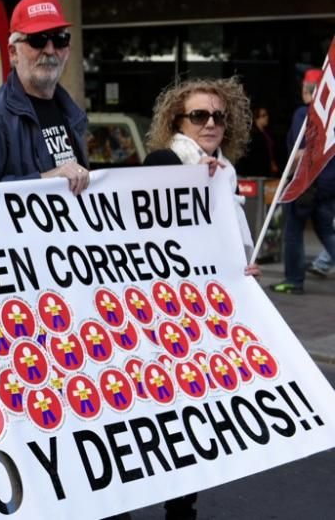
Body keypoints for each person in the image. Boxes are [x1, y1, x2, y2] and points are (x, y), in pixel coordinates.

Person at [143, 75, 259, 520]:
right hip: (163, 316)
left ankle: (183, 506)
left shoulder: (224, 174)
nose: (210, 124)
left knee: (196, 420)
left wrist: (240, 269)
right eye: (199, 115)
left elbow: (225, 243)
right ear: (178, 120)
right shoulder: (160, 161)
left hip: (205, 318)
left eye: (218, 116)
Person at [0, 0, 90, 195]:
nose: (49, 50)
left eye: (59, 40)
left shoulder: (70, 112)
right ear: (13, 53)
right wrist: (47, 180)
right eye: (37, 40)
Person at [270, 68, 335, 294]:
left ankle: (293, 280)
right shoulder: (332, 118)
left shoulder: (304, 114)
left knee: (293, 231)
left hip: (307, 183)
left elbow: (301, 152)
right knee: (326, 230)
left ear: (308, 90)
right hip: (328, 183)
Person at [236, 105, 279, 177]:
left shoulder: (266, 133)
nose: (266, 117)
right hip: (256, 171)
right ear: (256, 118)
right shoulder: (252, 135)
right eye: (263, 115)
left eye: (267, 115)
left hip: (266, 169)